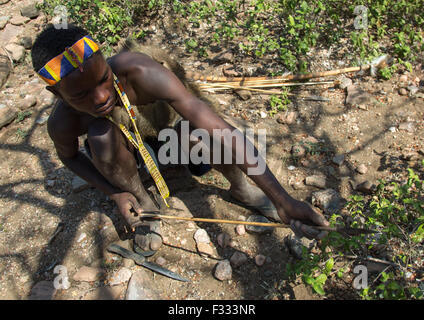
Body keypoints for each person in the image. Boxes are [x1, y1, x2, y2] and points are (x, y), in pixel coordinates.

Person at [31, 24, 329, 253]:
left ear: (107, 65)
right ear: (57, 94)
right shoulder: (63, 123)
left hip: (173, 143)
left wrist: (282, 199)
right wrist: (115, 193)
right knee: (100, 134)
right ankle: (145, 206)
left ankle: (241, 189)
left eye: (103, 79)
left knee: (197, 131)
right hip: (128, 160)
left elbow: (220, 130)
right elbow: (68, 156)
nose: (101, 97)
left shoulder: (140, 71)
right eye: (81, 95)